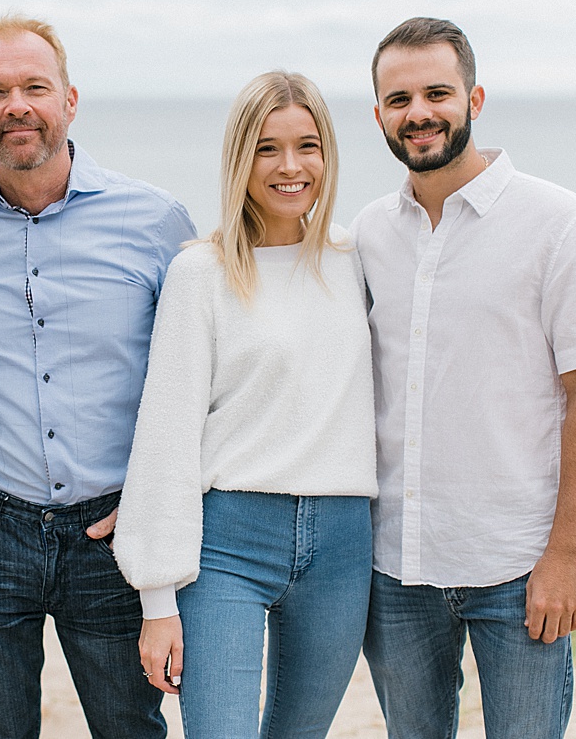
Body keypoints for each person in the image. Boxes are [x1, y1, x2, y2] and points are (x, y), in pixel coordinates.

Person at [352, 17, 576, 738]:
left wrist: (567, 554)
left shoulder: (559, 223)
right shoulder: (366, 234)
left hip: (518, 565)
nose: (418, 113)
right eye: (399, 99)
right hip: (396, 566)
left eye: (436, 93)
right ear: (380, 114)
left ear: (474, 99)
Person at [0, 15, 197, 739]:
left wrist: (158, 504)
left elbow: (200, 382)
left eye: (34, 87)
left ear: (70, 100)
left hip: (114, 531)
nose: (16, 105)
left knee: (131, 729)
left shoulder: (155, 221)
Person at [113, 71, 378, 738]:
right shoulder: (199, 274)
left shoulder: (357, 260)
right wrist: (157, 599)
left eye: (307, 145)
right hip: (229, 538)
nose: (290, 167)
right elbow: (167, 434)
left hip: (342, 543)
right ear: (240, 159)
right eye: (267, 148)